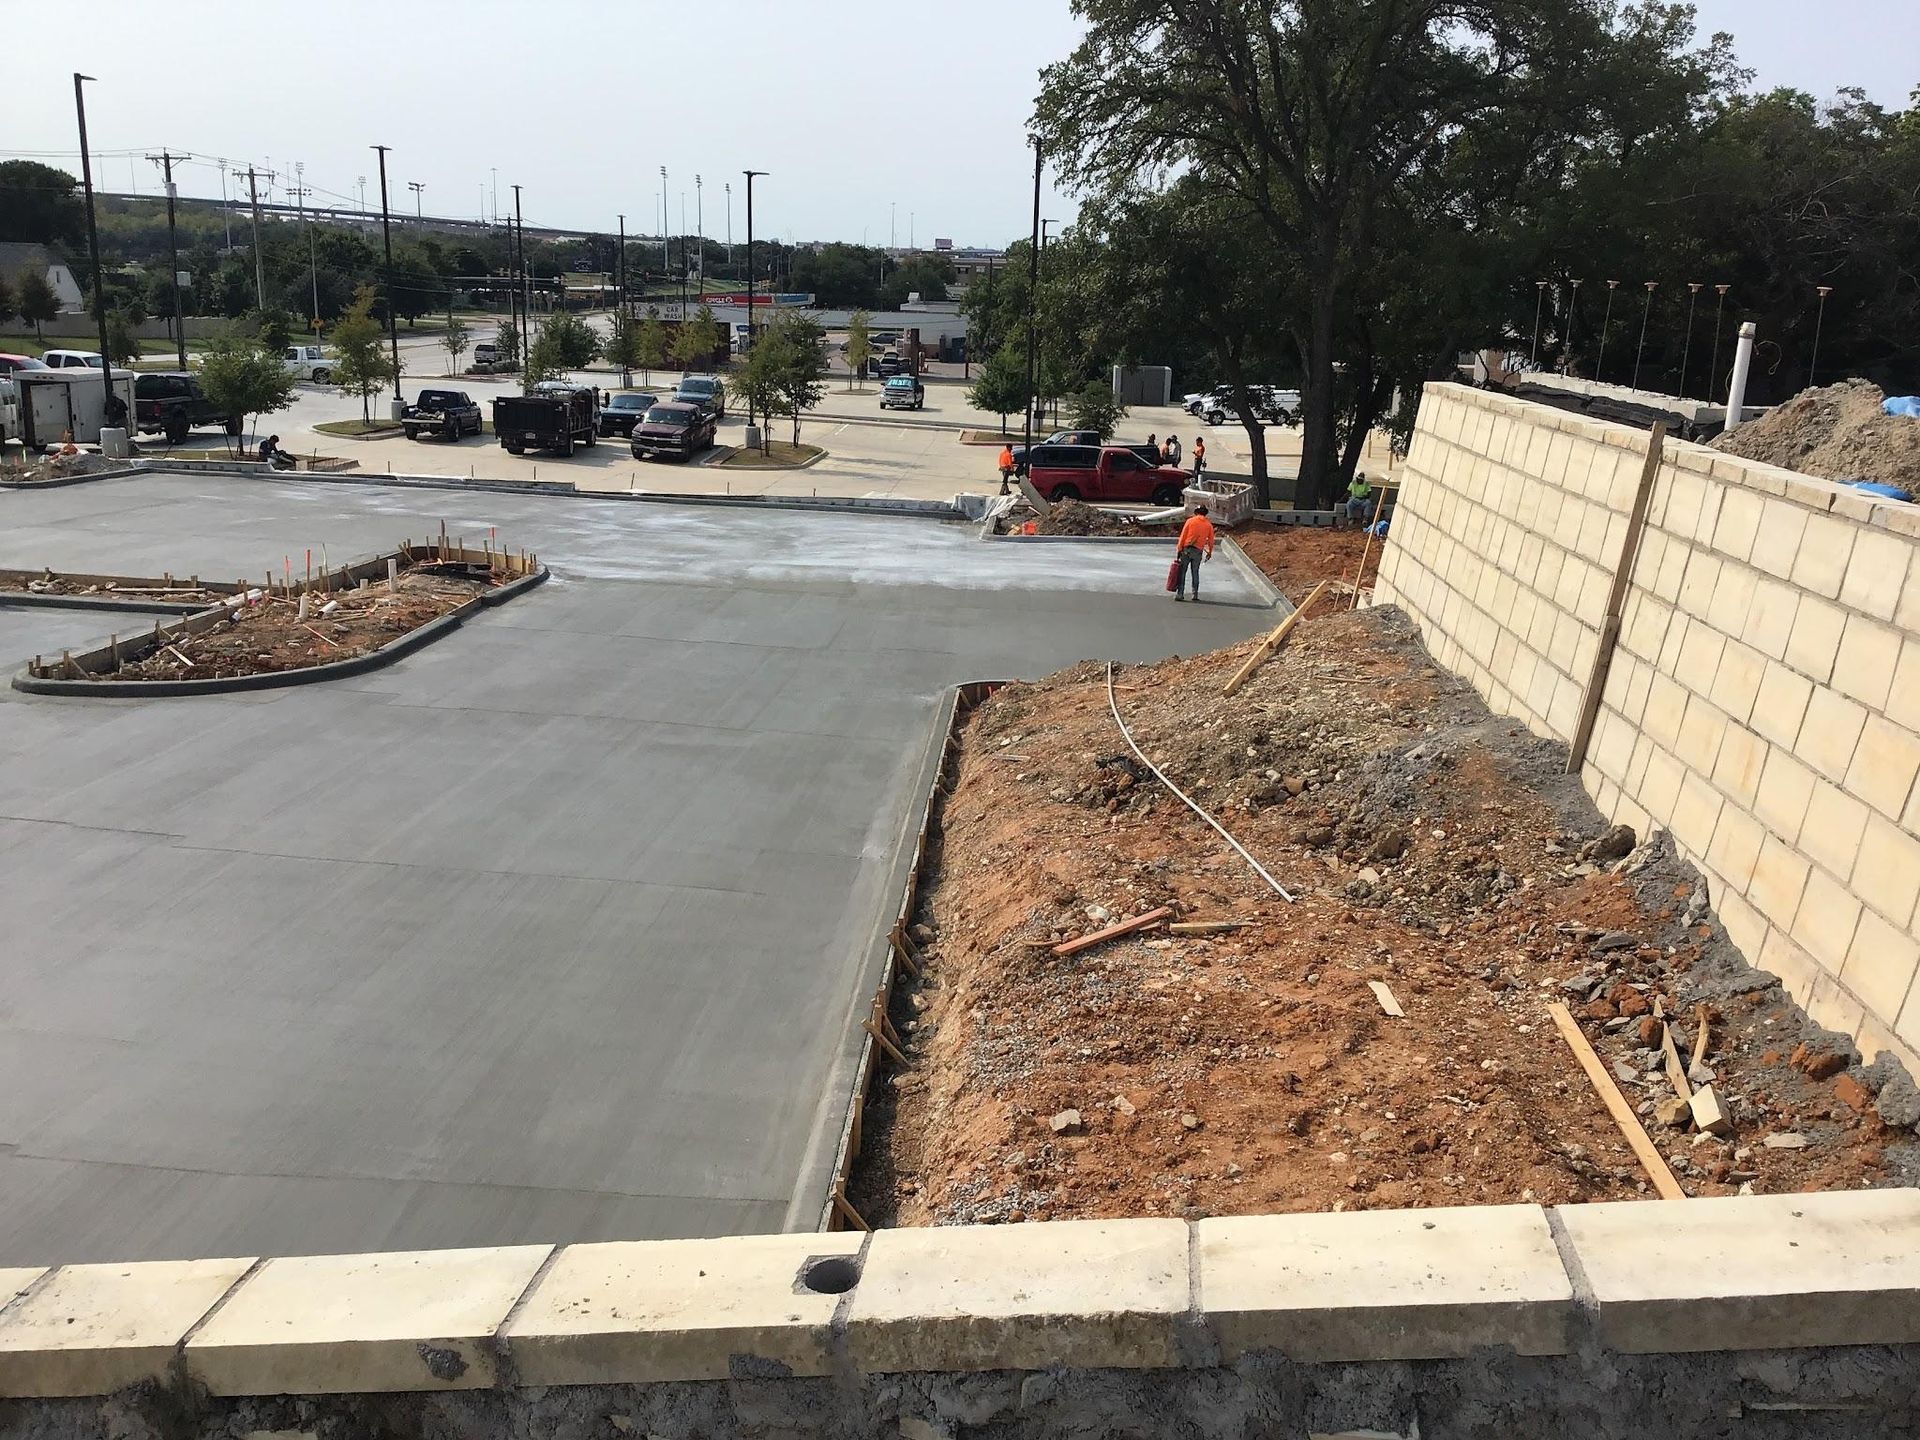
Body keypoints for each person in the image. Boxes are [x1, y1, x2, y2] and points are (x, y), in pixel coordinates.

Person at [1173, 503, 1215, 602]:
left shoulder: (1190, 521)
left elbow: (1183, 536)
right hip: (1198, 551)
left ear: (1196, 512)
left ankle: (1180, 594)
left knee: (1182, 572)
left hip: (1187, 549)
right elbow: (1211, 540)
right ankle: (1194, 594)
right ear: (1205, 513)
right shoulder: (1208, 525)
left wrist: (1179, 548)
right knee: (1195, 572)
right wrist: (1209, 552)